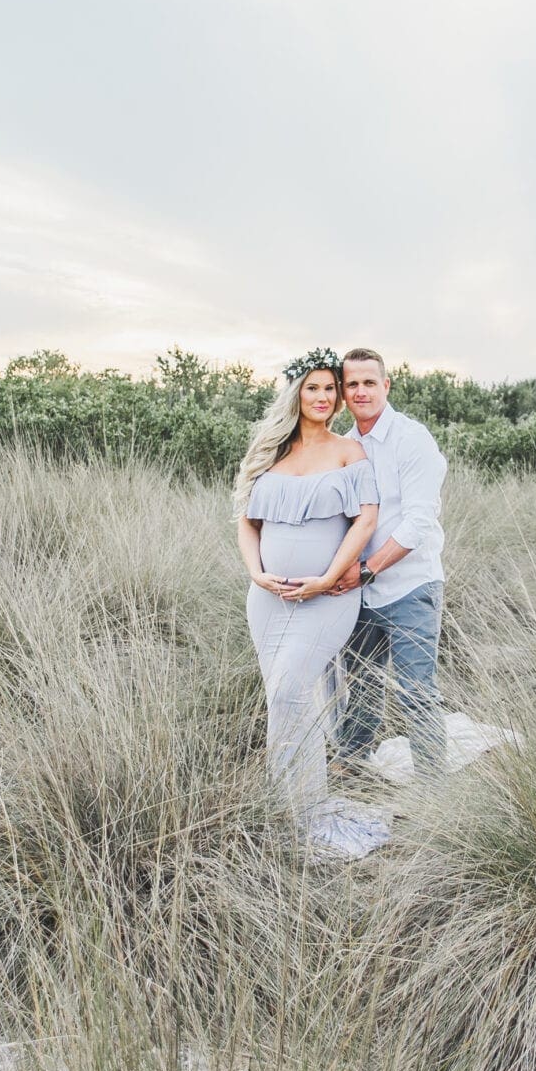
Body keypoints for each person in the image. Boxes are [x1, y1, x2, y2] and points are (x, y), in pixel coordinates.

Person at [234, 348, 389, 858]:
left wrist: (325, 579)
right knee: (284, 701)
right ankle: (286, 806)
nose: (323, 397)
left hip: (327, 597)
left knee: (288, 691)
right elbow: (247, 523)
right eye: (313, 388)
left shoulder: (349, 452)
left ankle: (307, 813)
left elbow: (365, 521)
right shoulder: (272, 452)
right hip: (268, 600)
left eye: (330, 389)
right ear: (296, 394)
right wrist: (256, 574)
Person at [332, 347, 449, 780]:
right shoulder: (346, 446)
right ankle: (351, 767)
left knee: (417, 693)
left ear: (386, 385)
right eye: (352, 384)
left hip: (410, 587)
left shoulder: (411, 438)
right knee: (361, 686)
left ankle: (434, 789)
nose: (361, 391)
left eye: (369, 382)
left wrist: (366, 569)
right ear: (344, 392)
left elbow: (419, 522)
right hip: (361, 592)